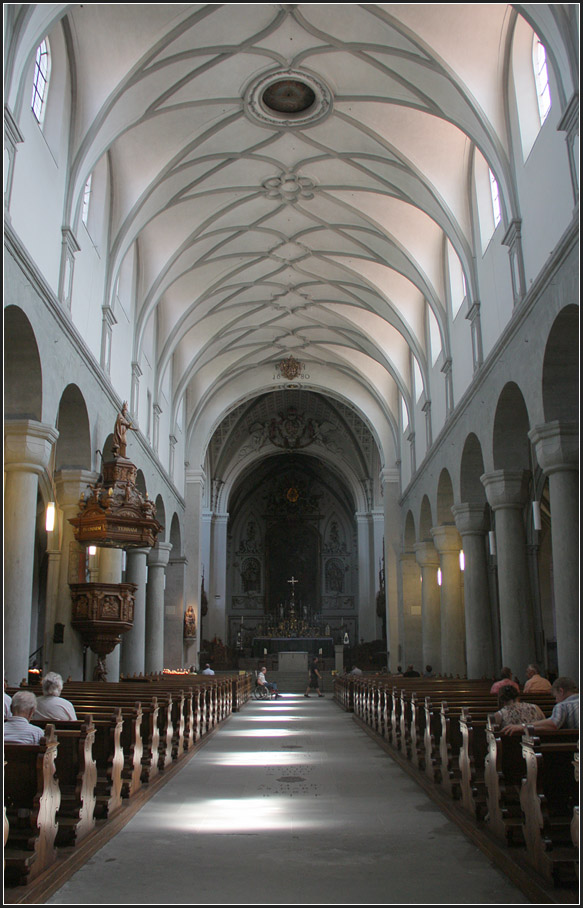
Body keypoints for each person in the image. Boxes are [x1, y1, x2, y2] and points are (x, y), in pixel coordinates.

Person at [501, 677, 579, 735]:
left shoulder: (562, 706)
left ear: (561, 691)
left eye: (556, 696)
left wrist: (522, 726)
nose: (556, 700)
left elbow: (553, 725)